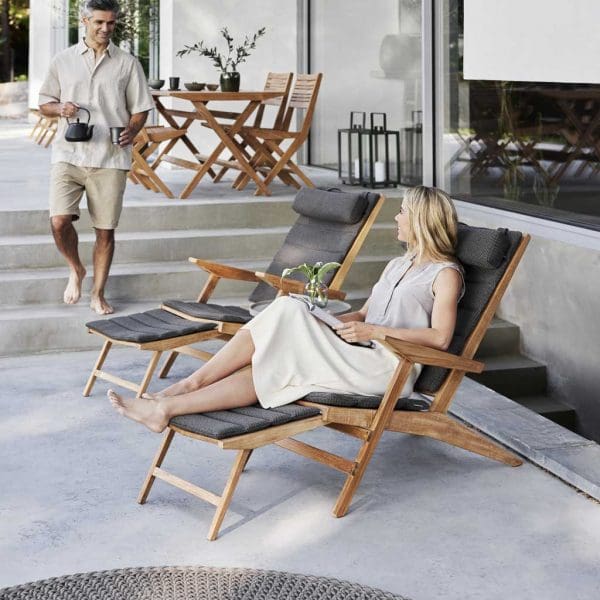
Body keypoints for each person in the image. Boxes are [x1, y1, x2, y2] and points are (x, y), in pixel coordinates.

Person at [108, 186, 465, 432]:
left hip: (388, 369)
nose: (398, 218)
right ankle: (167, 406)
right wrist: (326, 323)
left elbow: (440, 338)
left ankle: (186, 385)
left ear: (421, 220)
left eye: (403, 212)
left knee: (287, 310)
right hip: (356, 351)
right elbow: (363, 314)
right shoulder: (398, 265)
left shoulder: (444, 274)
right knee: (280, 348)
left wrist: (374, 332)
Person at [38, 0, 155, 315]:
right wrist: (60, 108)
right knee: (59, 221)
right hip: (68, 154)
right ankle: (75, 268)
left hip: (110, 156)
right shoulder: (62, 61)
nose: (105, 29)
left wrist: (132, 129)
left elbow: (141, 108)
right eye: (99, 22)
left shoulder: (128, 63)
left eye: (111, 24)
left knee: (105, 230)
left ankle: (97, 294)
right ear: (84, 21)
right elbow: (44, 103)